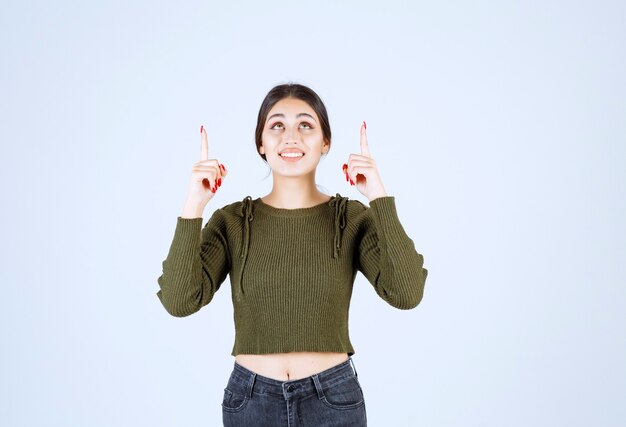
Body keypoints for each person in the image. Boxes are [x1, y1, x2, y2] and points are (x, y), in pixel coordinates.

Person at [156, 83, 428, 426]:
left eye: (305, 125)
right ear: (261, 143)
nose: (291, 137)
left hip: (333, 400)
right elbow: (179, 301)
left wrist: (378, 195)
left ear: (325, 141)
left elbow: (406, 292)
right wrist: (193, 204)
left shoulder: (351, 219)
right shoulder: (232, 222)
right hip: (251, 402)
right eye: (277, 126)